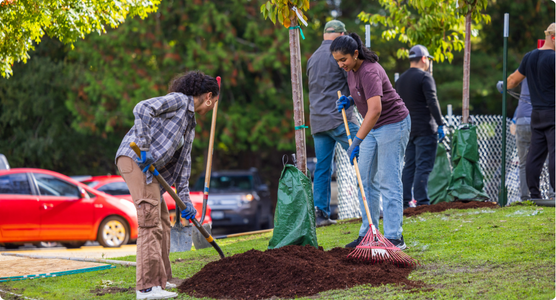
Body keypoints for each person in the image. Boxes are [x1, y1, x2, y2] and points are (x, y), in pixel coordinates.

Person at [115, 71, 218, 300]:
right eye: (214, 103)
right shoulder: (179, 101)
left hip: (147, 168)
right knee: (150, 221)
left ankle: (163, 280)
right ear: (208, 96)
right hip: (133, 159)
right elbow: (142, 108)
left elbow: (183, 166)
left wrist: (186, 203)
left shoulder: (190, 124)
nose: (212, 108)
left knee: (162, 219)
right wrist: (145, 148)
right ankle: (146, 288)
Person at [331, 33, 411, 249]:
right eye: (337, 61)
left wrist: (356, 141)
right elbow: (364, 98)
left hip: (393, 124)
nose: (341, 65)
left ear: (355, 54)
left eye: (343, 60)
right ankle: (369, 233)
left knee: (388, 179)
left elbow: (375, 110)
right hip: (374, 127)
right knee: (364, 178)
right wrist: (349, 100)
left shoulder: (369, 70)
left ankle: (395, 237)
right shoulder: (352, 71)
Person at [307, 20, 360, 227]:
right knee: (364, 154)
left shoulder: (312, 59)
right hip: (340, 118)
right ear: (341, 35)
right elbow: (352, 81)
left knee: (322, 167)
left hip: (318, 121)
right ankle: (373, 204)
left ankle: (320, 214)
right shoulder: (339, 53)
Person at [505, 23, 555, 200]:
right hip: (553, 113)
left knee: (535, 154)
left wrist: (504, 86)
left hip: (537, 114)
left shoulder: (529, 57)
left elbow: (511, 81)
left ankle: (534, 194)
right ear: (554, 37)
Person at [395, 45, 445, 209]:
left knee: (409, 165)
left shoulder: (400, 80)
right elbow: (432, 101)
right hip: (425, 128)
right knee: (423, 165)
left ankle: (405, 201)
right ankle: (423, 202)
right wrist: (440, 124)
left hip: (407, 129)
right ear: (424, 59)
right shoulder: (425, 77)